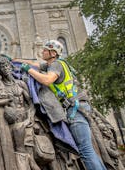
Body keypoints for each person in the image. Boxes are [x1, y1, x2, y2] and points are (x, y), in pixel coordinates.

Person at [10, 40, 107, 170]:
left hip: (75, 110)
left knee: (85, 151)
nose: (42, 51)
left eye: (45, 50)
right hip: (77, 108)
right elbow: (36, 64)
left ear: (53, 53)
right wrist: (16, 60)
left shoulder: (56, 65)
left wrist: (28, 70)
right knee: (89, 151)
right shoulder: (52, 65)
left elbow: (47, 80)